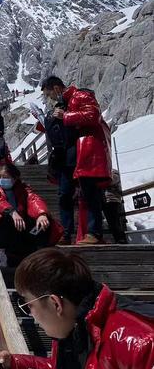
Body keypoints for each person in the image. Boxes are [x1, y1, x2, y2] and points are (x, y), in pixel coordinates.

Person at [0, 248, 154, 369]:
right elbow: (61, 368)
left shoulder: (139, 343)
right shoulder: (73, 327)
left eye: (29, 305)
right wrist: (15, 364)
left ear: (55, 304)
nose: (32, 315)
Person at [41, 76, 112, 245]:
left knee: (89, 192)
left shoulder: (81, 95)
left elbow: (93, 115)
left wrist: (66, 116)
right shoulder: (63, 103)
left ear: (57, 88)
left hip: (83, 153)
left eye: (49, 94)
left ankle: (94, 233)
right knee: (64, 195)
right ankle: (66, 234)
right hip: (67, 156)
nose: (50, 98)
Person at [0, 164, 63, 266]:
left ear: (15, 178)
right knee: (4, 220)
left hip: (21, 226)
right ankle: (1, 253)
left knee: (43, 224)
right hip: (2, 229)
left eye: (6, 177)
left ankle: (39, 252)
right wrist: (11, 212)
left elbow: (33, 199)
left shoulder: (22, 188)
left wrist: (41, 214)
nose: (2, 180)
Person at [103, 169, 128, 244]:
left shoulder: (114, 172)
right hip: (107, 200)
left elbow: (110, 181)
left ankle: (121, 238)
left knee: (115, 221)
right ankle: (118, 238)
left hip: (113, 200)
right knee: (111, 222)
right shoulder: (108, 172)